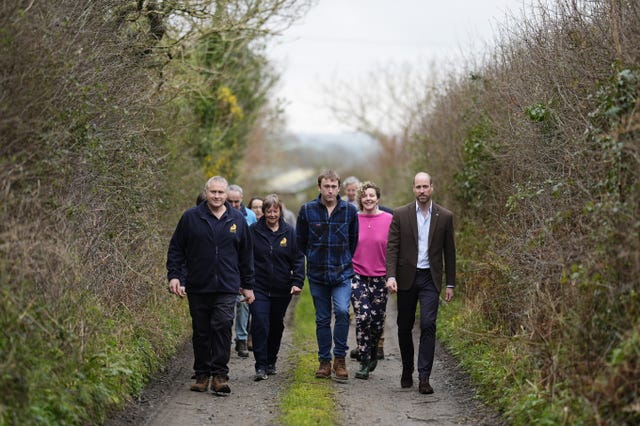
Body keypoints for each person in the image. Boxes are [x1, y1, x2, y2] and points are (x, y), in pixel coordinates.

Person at [166, 176, 255, 394]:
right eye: (213, 192)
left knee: (223, 326)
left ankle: (220, 375)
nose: (217, 196)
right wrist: (175, 276)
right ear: (206, 193)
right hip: (198, 285)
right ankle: (202, 374)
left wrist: (248, 285)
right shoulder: (190, 218)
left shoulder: (237, 220)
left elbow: (246, 256)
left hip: (227, 285)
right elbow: (177, 249)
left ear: (227, 195)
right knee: (202, 331)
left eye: (221, 193)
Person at [385, 172, 456, 394]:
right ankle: (407, 369)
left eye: (425, 186)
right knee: (404, 327)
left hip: (430, 278)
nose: (422, 191)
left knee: (428, 324)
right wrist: (391, 275)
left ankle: (424, 376)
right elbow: (392, 248)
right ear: (413, 189)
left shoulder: (444, 216)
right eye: (418, 187)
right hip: (406, 277)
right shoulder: (401, 214)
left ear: (432, 188)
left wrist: (450, 284)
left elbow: (450, 253)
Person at [297, 169, 358, 381]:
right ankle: (324, 360)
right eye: (326, 186)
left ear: (338, 188)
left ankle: (339, 358)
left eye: (333, 186)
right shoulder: (307, 210)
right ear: (319, 187)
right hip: (317, 273)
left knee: (342, 312)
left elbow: (354, 241)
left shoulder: (350, 211)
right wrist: (313, 257)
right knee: (322, 319)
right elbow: (300, 242)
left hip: (342, 273)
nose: (330, 190)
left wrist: (344, 260)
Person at [249, 194, 305, 381]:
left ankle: (271, 360)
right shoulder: (253, 231)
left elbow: (298, 259)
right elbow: (245, 258)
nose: (272, 214)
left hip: (282, 288)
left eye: (275, 211)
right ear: (263, 212)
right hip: (258, 286)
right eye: (268, 211)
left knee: (275, 325)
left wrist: (297, 282)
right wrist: (245, 283)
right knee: (259, 323)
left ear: (280, 211)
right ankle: (261, 365)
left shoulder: (289, 232)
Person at [350, 181, 393, 379]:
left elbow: (395, 250)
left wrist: (393, 276)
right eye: (365, 195)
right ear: (360, 199)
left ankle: (374, 350)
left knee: (376, 320)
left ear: (378, 198)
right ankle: (364, 360)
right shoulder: (353, 219)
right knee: (363, 316)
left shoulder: (389, 219)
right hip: (357, 274)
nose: (368, 198)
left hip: (380, 277)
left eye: (372, 195)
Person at [228, 184, 256, 358]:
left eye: (236, 202)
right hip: (227, 267)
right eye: (230, 201)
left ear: (242, 200)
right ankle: (225, 338)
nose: (233, 205)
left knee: (243, 303)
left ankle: (241, 338)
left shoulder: (250, 216)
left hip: (242, 266)